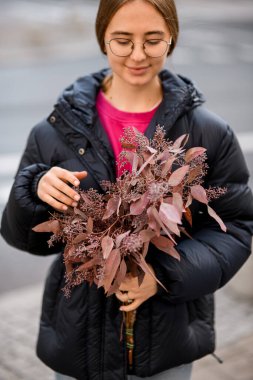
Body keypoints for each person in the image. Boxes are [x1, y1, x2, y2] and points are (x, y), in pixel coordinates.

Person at [1, 0, 253, 379]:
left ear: (171, 39)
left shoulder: (207, 132)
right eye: (122, 40)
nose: (137, 54)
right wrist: (36, 189)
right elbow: (24, 237)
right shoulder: (55, 131)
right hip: (78, 340)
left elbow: (235, 225)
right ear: (103, 39)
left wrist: (164, 275)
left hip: (166, 341)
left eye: (153, 40)